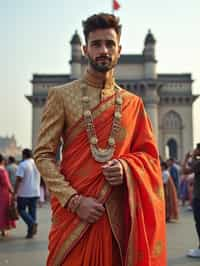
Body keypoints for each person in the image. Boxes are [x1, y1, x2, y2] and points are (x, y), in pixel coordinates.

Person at [34, 13, 166, 265]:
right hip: (75, 217)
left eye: (109, 44)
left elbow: (149, 157)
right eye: (96, 44)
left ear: (119, 50)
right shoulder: (61, 96)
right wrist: (74, 201)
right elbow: (43, 155)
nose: (103, 50)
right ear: (84, 49)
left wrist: (127, 167)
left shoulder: (133, 104)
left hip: (117, 219)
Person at [14, 148, 40, 238]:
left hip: (24, 192)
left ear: (24, 155)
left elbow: (18, 180)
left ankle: (32, 223)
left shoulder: (23, 164)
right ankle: (30, 232)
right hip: (35, 191)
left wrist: (14, 192)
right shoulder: (37, 164)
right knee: (32, 212)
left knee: (21, 210)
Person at [183, 144, 200, 258]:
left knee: (199, 223)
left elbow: (185, 170)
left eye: (197, 148)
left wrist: (188, 157)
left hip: (199, 198)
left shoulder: (198, 164)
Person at [0, 153, 16, 237]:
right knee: (3, 211)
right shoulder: (2, 170)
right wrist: (12, 191)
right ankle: (3, 229)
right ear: (2, 161)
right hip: (3, 193)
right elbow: (6, 183)